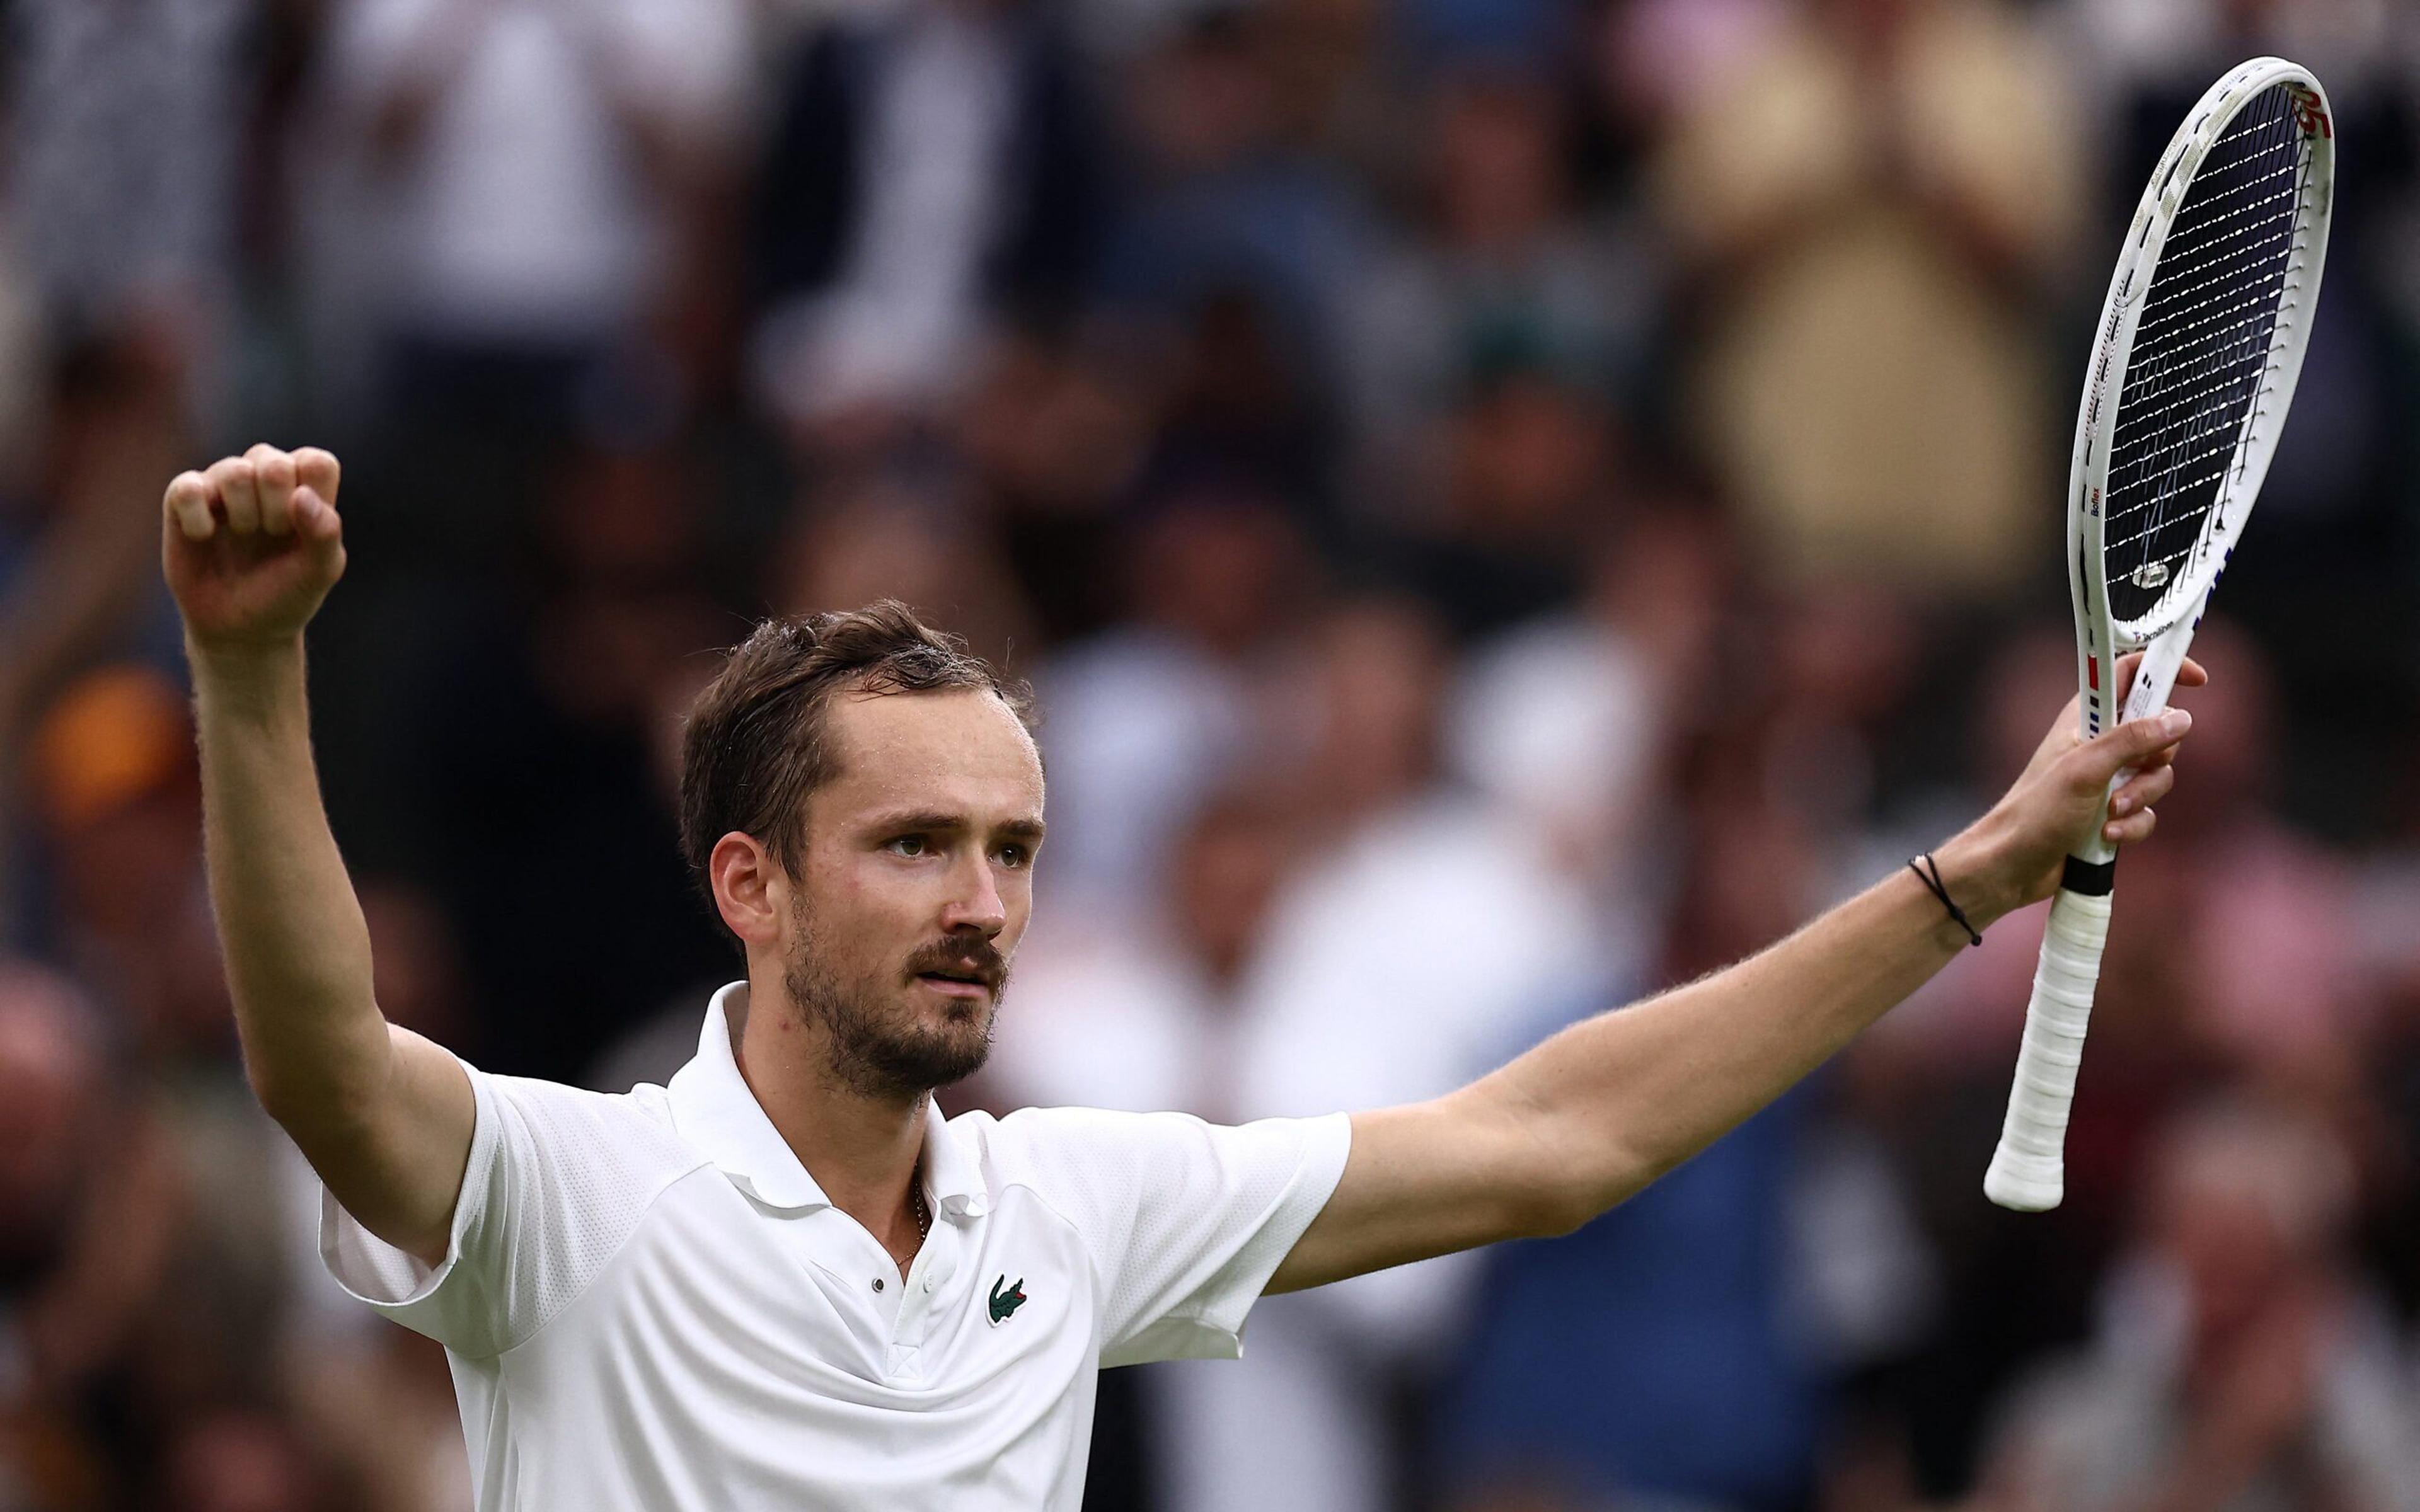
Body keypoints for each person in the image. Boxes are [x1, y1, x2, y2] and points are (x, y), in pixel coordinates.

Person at [160, 442, 2197, 1509]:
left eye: (1015, 850)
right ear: (749, 886)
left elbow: (1557, 1137)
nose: (981, 899)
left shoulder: (1070, 1207)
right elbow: (323, 1060)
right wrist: (252, 673)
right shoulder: (574, 1192)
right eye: (912, 844)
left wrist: (1972, 878)